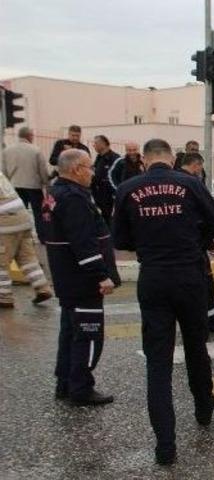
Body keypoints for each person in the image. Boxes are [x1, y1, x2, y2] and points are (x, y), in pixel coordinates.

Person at [113, 139, 214, 466]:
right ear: (171, 157)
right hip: (190, 276)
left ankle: (165, 445)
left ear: (146, 159)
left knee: (158, 362)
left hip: (153, 277)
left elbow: (120, 239)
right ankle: (204, 408)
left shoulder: (128, 188)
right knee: (196, 347)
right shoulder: (189, 184)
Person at [44, 148, 120, 406]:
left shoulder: (56, 193)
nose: (93, 172)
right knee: (88, 333)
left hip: (68, 280)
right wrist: (101, 275)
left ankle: (65, 382)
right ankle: (81, 387)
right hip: (82, 281)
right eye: (89, 167)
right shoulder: (74, 198)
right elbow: (83, 242)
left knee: (69, 332)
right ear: (76, 169)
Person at [178, 153, 214, 334]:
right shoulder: (193, 184)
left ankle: (196, 321)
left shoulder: (170, 183)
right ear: (196, 166)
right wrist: (210, 240)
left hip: (172, 250)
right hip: (195, 247)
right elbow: (211, 219)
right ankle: (212, 321)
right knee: (206, 284)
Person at [0, 171, 53, 308]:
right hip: (22, 218)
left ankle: (4, 296)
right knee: (27, 258)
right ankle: (43, 288)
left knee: (1, 262)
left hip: (5, 221)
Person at [1, 127, 51, 242]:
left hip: (15, 186)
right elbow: (42, 170)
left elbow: (4, 171)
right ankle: (42, 237)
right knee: (38, 213)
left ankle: (18, 238)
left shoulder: (7, 151)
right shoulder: (36, 150)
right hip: (33, 187)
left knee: (17, 213)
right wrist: (46, 184)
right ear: (29, 136)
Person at [91, 135, 121, 226]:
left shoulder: (115, 158)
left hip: (109, 197)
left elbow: (118, 178)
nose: (93, 145)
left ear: (103, 144)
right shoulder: (99, 158)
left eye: (95, 143)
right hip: (98, 196)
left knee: (110, 222)